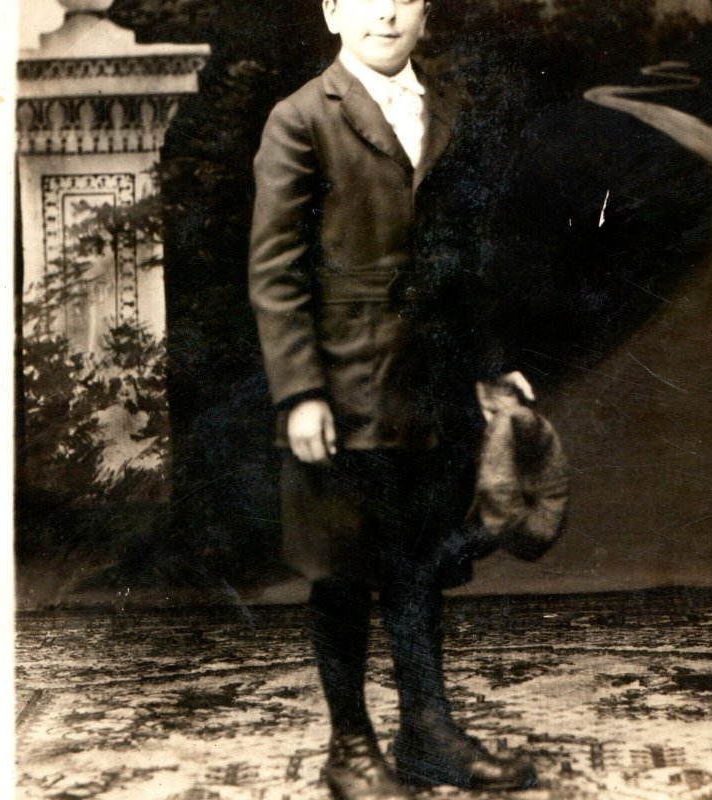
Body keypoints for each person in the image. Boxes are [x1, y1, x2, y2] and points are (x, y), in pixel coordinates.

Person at [249, 1, 537, 797]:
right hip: (341, 388)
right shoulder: (302, 117)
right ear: (331, 9)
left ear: (425, 11)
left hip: (432, 385)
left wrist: (488, 366)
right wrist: (299, 392)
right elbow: (275, 272)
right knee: (341, 567)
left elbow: (464, 256)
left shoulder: (445, 111)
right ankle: (350, 746)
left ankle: (427, 735)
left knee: (419, 563)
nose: (386, 12)